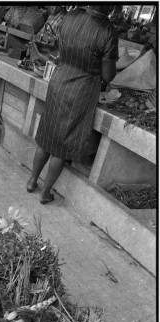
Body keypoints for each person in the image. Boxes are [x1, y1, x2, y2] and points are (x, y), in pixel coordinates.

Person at [26, 5, 118, 204]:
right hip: (81, 90)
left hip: (59, 80)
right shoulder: (107, 29)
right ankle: (45, 192)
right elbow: (107, 75)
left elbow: (59, 49)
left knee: (47, 135)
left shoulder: (70, 16)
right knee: (62, 144)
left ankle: (32, 181)